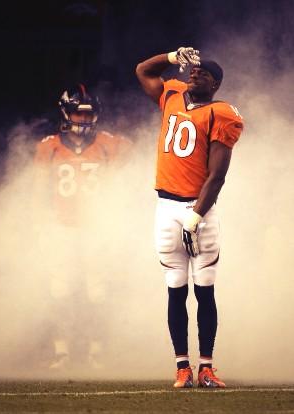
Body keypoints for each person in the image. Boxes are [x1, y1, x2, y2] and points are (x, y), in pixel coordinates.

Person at [136, 47, 243, 388]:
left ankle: (207, 368)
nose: (195, 74)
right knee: (175, 290)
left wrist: (196, 215)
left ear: (216, 85)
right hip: (166, 208)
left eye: (204, 73)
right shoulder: (172, 94)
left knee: (205, 290)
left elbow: (217, 176)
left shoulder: (221, 113)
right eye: (193, 70)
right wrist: (171, 57)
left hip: (200, 210)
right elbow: (143, 70)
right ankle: (182, 366)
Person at [33, 84, 132, 370]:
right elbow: (38, 191)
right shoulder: (48, 146)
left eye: (88, 116)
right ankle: (61, 351)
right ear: (65, 112)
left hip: (96, 228)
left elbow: (123, 185)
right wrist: (42, 224)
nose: (83, 120)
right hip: (62, 227)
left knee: (97, 292)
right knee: (60, 290)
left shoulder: (110, 144)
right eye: (78, 114)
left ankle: (96, 351)